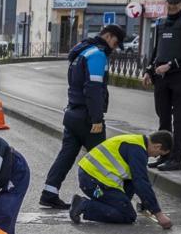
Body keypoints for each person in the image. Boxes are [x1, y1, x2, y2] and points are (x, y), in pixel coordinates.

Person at [39, 24, 124, 209]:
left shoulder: (81, 52)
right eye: (115, 43)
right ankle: (112, 200)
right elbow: (93, 89)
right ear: (108, 36)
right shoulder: (97, 54)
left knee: (66, 156)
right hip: (87, 117)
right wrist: (96, 119)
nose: (114, 48)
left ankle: (49, 193)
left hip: (72, 113)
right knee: (104, 159)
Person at [70, 131, 174, 229]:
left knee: (130, 188)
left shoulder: (136, 142)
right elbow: (141, 182)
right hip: (94, 184)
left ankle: (115, 206)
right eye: (159, 154)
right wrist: (158, 214)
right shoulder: (137, 151)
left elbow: (135, 180)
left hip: (91, 178)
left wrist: (146, 204)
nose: (155, 156)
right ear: (158, 146)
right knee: (128, 215)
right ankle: (83, 205)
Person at [143, 0, 181, 172]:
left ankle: (177, 159)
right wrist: (149, 71)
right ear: (166, 2)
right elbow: (156, 50)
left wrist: (171, 65)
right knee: (163, 118)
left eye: (176, 2)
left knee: (180, 120)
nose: (173, 5)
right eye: (170, 2)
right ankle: (164, 155)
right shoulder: (160, 23)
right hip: (162, 78)